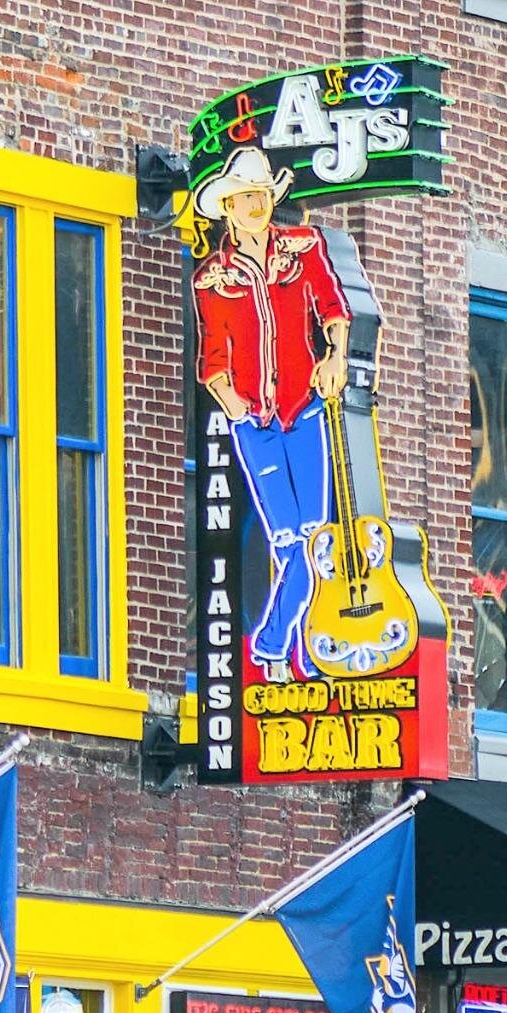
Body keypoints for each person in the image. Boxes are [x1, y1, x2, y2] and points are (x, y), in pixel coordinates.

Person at [189, 143, 352, 678]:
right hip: (256, 425)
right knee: (291, 543)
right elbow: (213, 360)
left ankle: (277, 646)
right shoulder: (212, 279)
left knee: (312, 543)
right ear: (228, 208)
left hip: (304, 411)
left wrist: (336, 356)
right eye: (245, 197)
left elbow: (332, 306)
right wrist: (235, 406)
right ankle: (296, 649)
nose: (256, 205)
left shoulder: (304, 249)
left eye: (261, 194)